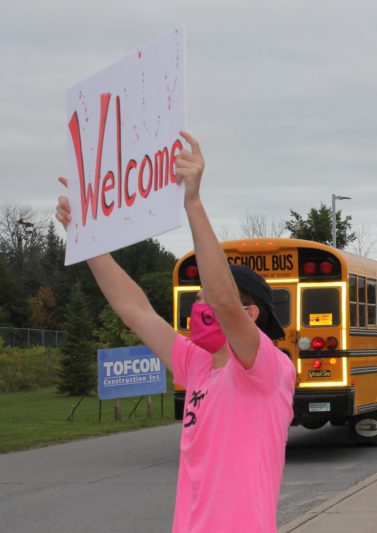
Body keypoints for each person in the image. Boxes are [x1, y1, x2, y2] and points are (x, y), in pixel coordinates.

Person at [55, 132, 296, 533]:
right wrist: (86, 239)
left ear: (250, 314)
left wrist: (193, 201)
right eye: (197, 299)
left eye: (208, 300)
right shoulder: (195, 363)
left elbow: (223, 300)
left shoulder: (268, 369)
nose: (200, 308)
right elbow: (135, 310)